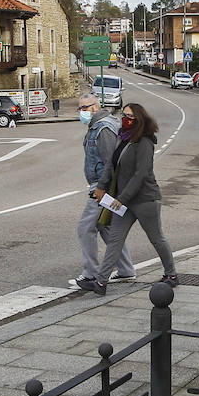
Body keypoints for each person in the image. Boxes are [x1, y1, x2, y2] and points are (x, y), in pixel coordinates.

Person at [78, 102, 178, 295]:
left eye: (131, 117)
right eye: (124, 115)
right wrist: (101, 187)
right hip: (124, 202)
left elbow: (141, 174)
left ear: (140, 120)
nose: (126, 119)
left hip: (145, 200)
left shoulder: (145, 142)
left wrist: (121, 199)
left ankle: (171, 274)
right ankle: (100, 282)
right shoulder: (122, 138)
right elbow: (110, 166)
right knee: (115, 239)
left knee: (156, 238)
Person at [72, 94, 135, 289]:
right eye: (80, 108)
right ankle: (125, 269)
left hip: (102, 186)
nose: (82, 111)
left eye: (85, 107)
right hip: (103, 185)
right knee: (105, 226)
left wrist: (102, 189)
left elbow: (112, 162)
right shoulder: (97, 126)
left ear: (96, 107)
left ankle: (91, 274)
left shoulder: (104, 128)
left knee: (85, 227)